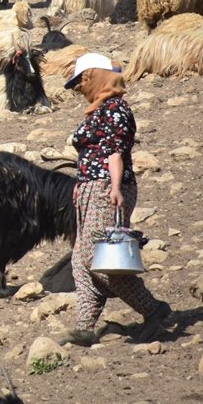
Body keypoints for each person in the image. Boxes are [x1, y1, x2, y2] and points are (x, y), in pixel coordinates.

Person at [62, 52, 171, 347]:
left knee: (97, 258)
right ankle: (84, 326)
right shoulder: (100, 109)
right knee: (80, 261)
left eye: (82, 81)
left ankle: (153, 309)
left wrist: (114, 186)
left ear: (94, 77)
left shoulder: (115, 109)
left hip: (106, 188)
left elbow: (114, 151)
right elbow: (91, 152)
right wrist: (80, 183)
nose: (79, 89)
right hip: (90, 187)